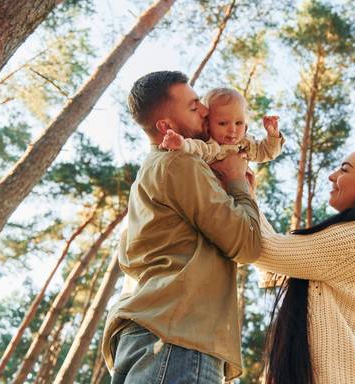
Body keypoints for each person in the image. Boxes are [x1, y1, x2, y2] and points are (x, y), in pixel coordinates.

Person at [101, 71, 262, 383]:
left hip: (148, 333)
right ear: (166, 126)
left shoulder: (152, 170)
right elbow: (247, 244)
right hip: (177, 338)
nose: (204, 110)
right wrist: (238, 181)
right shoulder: (180, 163)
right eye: (193, 107)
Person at [253, 147, 355, 384]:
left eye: (344, 169)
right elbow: (272, 269)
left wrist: (238, 187)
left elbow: (264, 249)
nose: (332, 175)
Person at [160, 87, 284, 164]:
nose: (232, 130)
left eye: (239, 123)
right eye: (222, 123)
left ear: (246, 125)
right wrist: (182, 144)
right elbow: (197, 148)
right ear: (208, 124)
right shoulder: (211, 145)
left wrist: (272, 135)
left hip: (241, 201)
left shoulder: (246, 143)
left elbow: (266, 152)